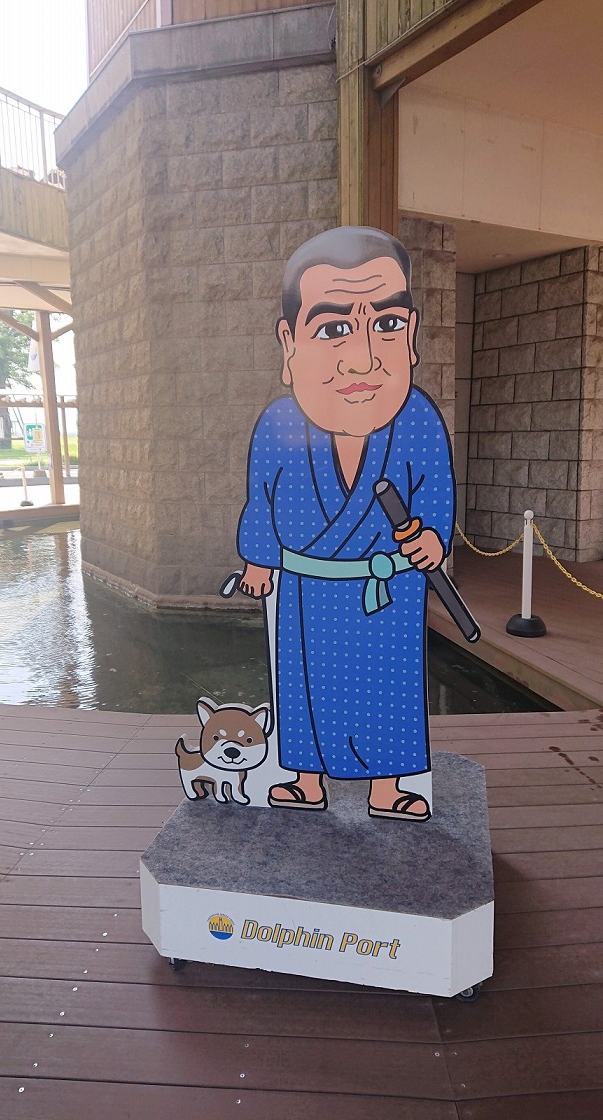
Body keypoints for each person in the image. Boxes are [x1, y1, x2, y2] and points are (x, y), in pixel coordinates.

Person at [237, 226, 454, 820]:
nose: (363, 357)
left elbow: (434, 494)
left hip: (389, 591)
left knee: (388, 689)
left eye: (387, 324)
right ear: (289, 344)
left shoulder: (418, 419)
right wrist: (259, 558)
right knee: (306, 686)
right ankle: (306, 780)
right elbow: (262, 499)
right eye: (333, 329)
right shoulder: (278, 427)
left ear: (411, 335)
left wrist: (431, 539)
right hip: (307, 592)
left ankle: (388, 786)